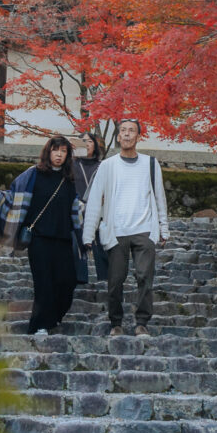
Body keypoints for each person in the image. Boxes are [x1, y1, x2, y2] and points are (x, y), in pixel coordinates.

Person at [0, 136, 84, 340]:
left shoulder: (69, 180)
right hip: (39, 239)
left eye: (63, 151)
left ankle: (53, 317)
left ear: (68, 155)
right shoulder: (33, 175)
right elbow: (12, 196)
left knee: (67, 281)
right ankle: (40, 324)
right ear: (48, 152)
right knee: (43, 283)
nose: (59, 154)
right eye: (55, 150)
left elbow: (76, 209)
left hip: (63, 239)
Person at [82, 117, 169, 337]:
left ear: (138, 137)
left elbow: (160, 197)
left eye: (132, 131)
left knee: (144, 277)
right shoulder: (107, 166)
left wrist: (163, 228)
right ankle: (116, 322)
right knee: (115, 280)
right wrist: (88, 234)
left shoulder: (150, 163)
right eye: (123, 131)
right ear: (118, 136)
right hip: (116, 230)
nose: (127, 134)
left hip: (144, 229)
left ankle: (142, 322)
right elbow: (94, 201)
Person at [73, 130, 108, 282]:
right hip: (77, 209)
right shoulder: (71, 165)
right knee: (77, 244)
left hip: (98, 210)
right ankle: (80, 278)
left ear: (95, 145)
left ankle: (105, 278)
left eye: (90, 141)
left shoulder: (103, 166)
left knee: (101, 243)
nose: (87, 144)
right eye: (83, 141)